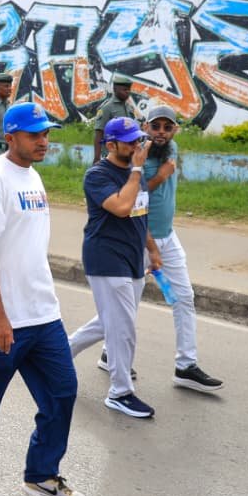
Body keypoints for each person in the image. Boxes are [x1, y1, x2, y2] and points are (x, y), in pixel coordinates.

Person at [0, 102, 90, 496]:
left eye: (46, 133)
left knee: (63, 392)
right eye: (35, 135)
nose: (43, 141)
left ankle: (43, 474)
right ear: (10, 136)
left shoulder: (32, 178)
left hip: (42, 313)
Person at [66, 117, 163, 419]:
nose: (137, 145)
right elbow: (121, 207)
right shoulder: (98, 175)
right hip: (106, 258)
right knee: (122, 327)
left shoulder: (135, 173)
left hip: (133, 258)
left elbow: (138, 213)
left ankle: (59, 355)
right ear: (111, 145)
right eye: (131, 141)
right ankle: (119, 393)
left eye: (138, 140)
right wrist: (136, 169)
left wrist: (152, 249)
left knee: (109, 321)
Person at [134, 105, 222, 392]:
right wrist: (160, 175)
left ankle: (186, 366)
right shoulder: (139, 153)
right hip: (140, 238)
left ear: (175, 130)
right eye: (155, 126)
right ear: (145, 126)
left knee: (184, 297)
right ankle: (103, 352)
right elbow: (132, 196)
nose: (161, 132)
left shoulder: (172, 147)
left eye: (167, 127)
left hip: (168, 238)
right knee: (123, 306)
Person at [92, 74, 142, 163]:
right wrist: (97, 157)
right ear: (115, 89)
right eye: (124, 90)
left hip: (126, 153)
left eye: (129, 90)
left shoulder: (129, 107)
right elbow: (99, 132)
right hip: (110, 154)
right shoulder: (107, 108)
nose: (127, 92)